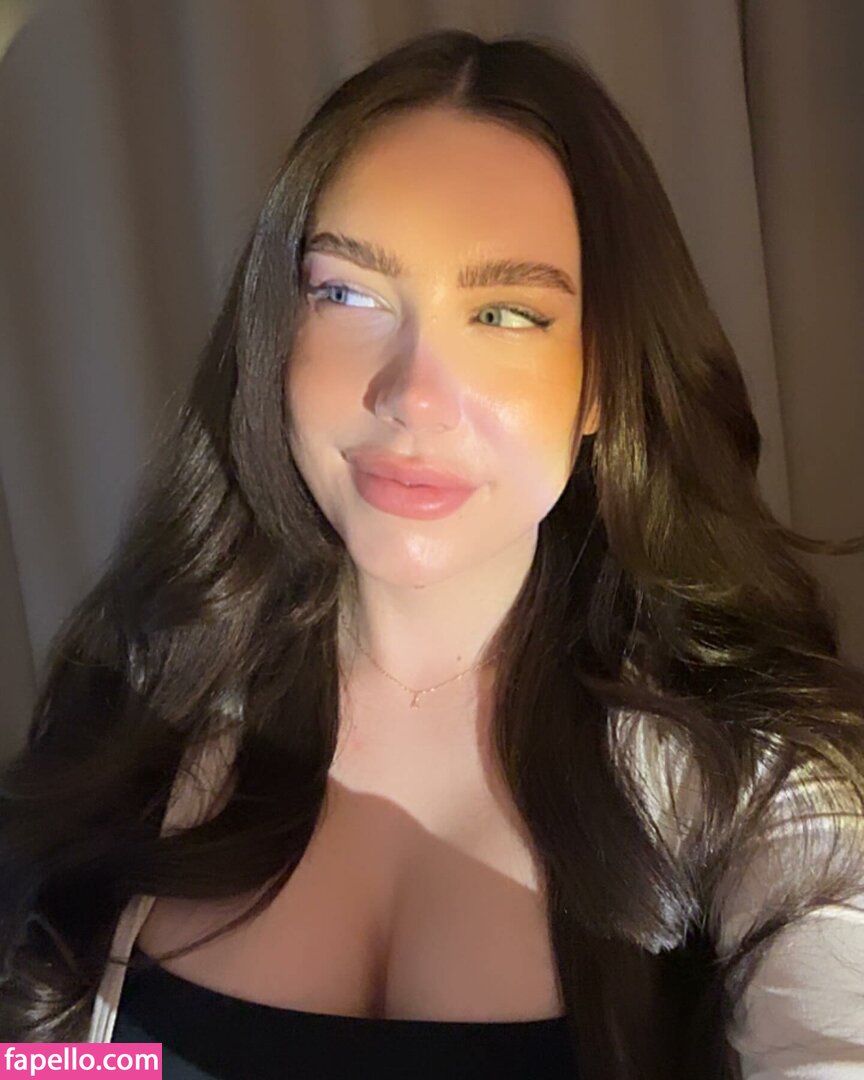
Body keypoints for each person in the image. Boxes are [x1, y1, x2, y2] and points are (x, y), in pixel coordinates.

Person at [1, 27, 863, 1080]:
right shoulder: (136, 720)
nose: (411, 396)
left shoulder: (760, 792)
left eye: (504, 313)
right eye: (349, 295)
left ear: (602, 381)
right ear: (275, 335)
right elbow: (48, 1059)